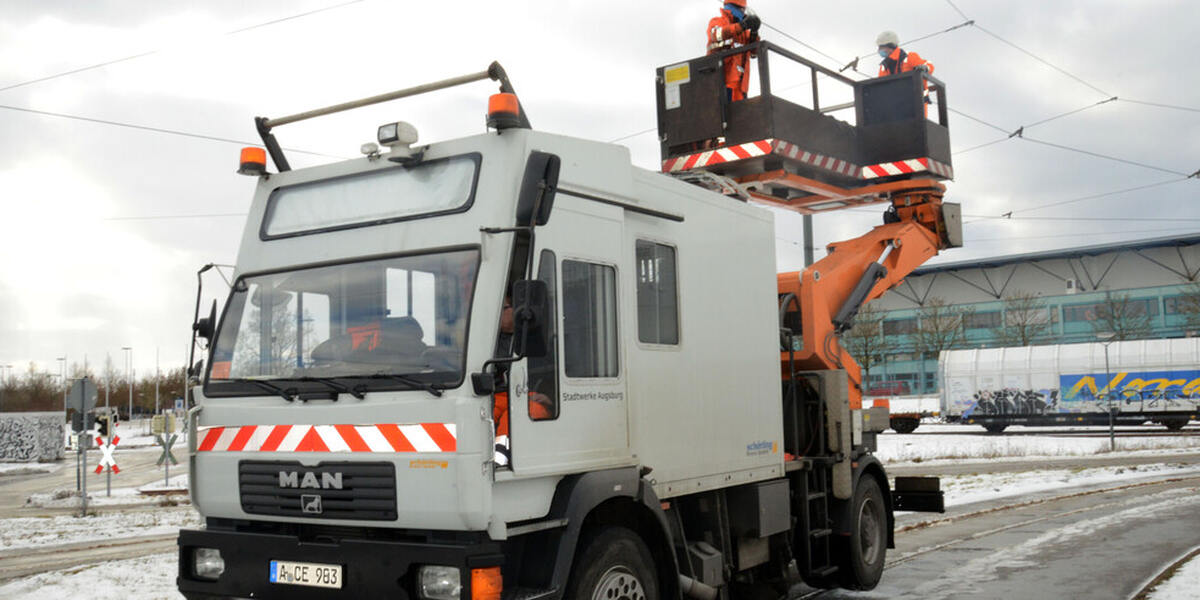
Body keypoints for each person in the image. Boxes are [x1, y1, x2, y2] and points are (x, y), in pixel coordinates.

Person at [707, 0, 761, 103]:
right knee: (726, 117)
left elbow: (755, 52)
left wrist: (754, 32)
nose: (743, 12)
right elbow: (717, 34)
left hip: (741, 87)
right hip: (721, 82)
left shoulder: (744, 33)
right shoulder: (717, 22)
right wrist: (742, 25)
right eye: (742, 9)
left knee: (741, 117)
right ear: (733, 8)